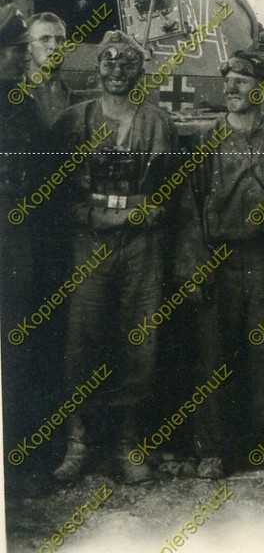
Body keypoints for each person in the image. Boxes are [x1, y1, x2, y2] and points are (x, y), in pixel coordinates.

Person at [51, 30, 178, 483]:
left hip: (142, 243)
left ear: (140, 71)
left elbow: (172, 189)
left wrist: (156, 209)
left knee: (140, 340)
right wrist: (90, 215)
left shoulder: (157, 122)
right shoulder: (74, 120)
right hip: (91, 239)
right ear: (97, 67)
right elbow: (52, 193)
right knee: (82, 339)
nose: (117, 70)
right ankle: (79, 443)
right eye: (109, 62)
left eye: (127, 63)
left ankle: (130, 443)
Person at [180, 50, 264, 477]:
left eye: (243, 79)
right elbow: (189, 211)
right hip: (218, 261)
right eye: (229, 80)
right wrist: (195, 266)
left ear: (262, 87)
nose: (233, 87)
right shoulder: (208, 141)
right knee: (212, 354)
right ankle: (211, 450)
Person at [0, 5, 48, 493]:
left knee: (18, 349)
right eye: (14, 52)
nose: (21, 59)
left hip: (16, 240)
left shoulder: (21, 102)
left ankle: (18, 464)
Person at [25, 12, 82, 129]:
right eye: (45, 39)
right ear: (28, 45)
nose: (55, 46)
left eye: (60, 39)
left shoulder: (77, 100)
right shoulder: (11, 97)